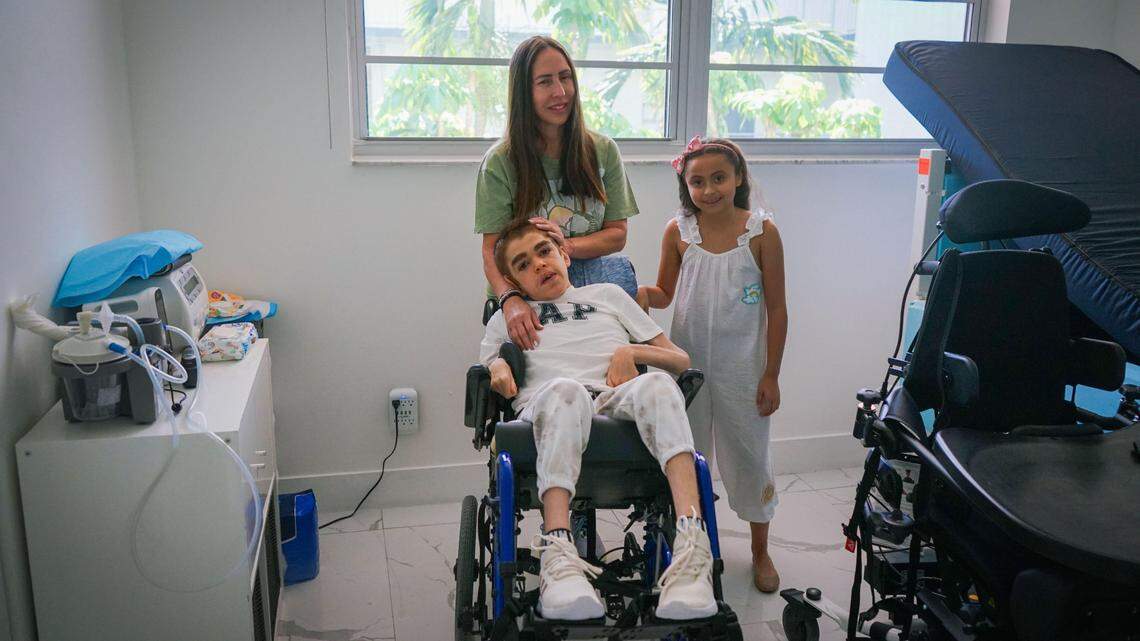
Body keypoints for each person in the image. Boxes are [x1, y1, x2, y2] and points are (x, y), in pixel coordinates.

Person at [480, 218, 717, 622]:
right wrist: (497, 367)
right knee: (566, 390)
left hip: (615, 398)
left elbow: (679, 359)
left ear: (563, 254)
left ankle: (692, 548)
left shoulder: (607, 295)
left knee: (660, 385)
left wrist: (631, 354)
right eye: (522, 264)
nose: (538, 264)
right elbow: (489, 366)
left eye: (543, 251)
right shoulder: (510, 317)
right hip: (549, 402)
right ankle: (559, 553)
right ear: (513, 281)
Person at [638, 136, 789, 593]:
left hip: (744, 369)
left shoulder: (762, 232)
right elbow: (664, 294)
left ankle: (760, 550)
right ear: (686, 186)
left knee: (748, 454)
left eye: (718, 178)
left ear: (738, 178)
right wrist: (640, 296)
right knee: (688, 454)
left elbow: (778, 308)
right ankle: (693, 545)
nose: (709, 189)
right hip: (688, 368)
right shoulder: (678, 232)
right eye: (697, 181)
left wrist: (771, 374)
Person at [476, 35, 639, 352]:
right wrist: (510, 301)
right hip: (526, 295)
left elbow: (617, 234)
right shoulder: (499, 163)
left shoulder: (603, 152)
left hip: (591, 291)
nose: (560, 92)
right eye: (545, 82)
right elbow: (491, 250)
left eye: (565, 77)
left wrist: (565, 246)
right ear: (525, 92)